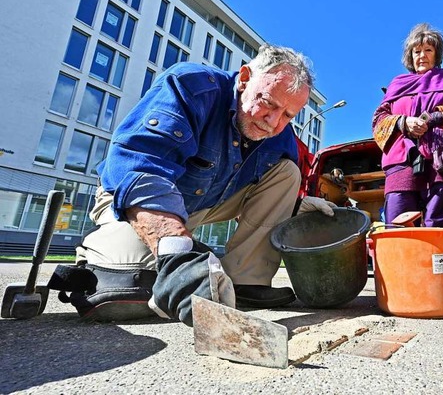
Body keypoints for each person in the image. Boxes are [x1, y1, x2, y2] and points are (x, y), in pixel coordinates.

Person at [47, 44, 336, 325]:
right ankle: (99, 252)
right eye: (268, 103)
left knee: (287, 171)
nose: (274, 122)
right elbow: (139, 165)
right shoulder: (190, 87)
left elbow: (265, 191)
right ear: (245, 79)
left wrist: (296, 206)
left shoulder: (279, 135)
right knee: (123, 294)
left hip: (209, 203)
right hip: (136, 200)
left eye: (288, 115)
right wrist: (177, 254)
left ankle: (247, 280)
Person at [371, 23, 443, 228]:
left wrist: (434, 118)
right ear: (410, 56)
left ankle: (432, 260)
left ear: (437, 54)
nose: (422, 56)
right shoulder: (396, 84)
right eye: (416, 51)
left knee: (437, 223)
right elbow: (379, 119)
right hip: (402, 159)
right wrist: (403, 122)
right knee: (398, 221)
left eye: (428, 50)